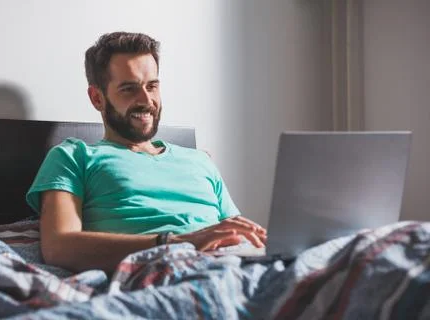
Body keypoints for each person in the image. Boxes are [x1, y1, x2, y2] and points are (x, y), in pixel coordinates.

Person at [26, 32, 266, 274]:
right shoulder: (73, 156)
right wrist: (175, 243)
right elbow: (59, 247)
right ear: (97, 98)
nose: (147, 99)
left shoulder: (199, 160)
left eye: (152, 86)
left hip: (236, 266)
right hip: (166, 270)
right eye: (129, 89)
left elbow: (235, 231)